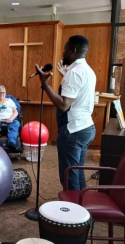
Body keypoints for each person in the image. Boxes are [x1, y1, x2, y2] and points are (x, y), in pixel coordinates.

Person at [35, 35, 96, 190]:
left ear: (73, 50)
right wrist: (65, 76)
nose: (63, 53)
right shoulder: (88, 70)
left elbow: (63, 105)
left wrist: (45, 84)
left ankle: (73, 211)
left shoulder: (74, 73)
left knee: (69, 175)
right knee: (77, 171)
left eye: (65, 49)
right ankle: (82, 207)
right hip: (86, 127)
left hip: (73, 131)